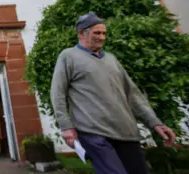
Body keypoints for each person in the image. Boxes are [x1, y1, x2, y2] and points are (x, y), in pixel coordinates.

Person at [50, 12, 176, 174]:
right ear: (81, 33)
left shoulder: (111, 59)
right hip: (93, 132)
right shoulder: (68, 56)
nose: (102, 37)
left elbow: (133, 94)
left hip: (126, 131)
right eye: (97, 33)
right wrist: (66, 126)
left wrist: (154, 122)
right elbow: (57, 93)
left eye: (104, 33)